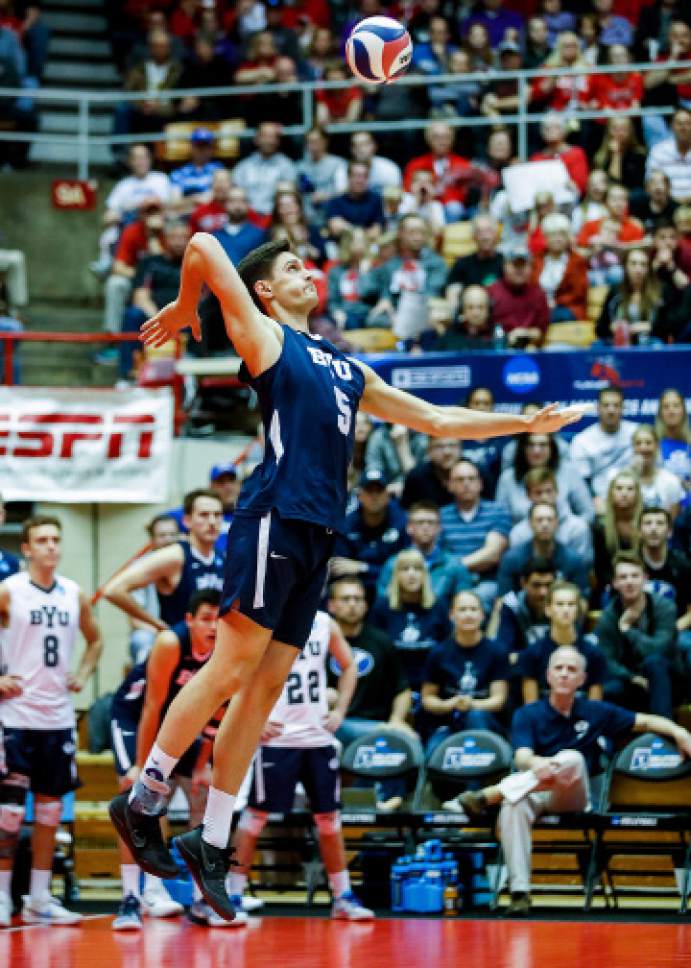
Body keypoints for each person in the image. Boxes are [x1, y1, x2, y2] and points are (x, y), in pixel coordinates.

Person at [111, 231, 583, 921]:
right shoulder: (266, 336)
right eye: (292, 267)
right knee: (230, 668)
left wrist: (522, 423)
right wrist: (188, 307)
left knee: (263, 690)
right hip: (274, 518)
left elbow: (435, 419)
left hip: (318, 535)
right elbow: (205, 245)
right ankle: (144, 798)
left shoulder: (348, 367)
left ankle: (209, 838)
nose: (308, 273)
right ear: (265, 290)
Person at [456, 645, 691, 916]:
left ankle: (490, 795)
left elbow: (647, 722)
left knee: (572, 758)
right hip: (538, 789)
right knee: (513, 805)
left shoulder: (597, 711)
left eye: (571, 669)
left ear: (582, 679)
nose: (564, 674)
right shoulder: (528, 713)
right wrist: (537, 764)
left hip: (576, 795)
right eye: (558, 668)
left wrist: (680, 732)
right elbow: (521, 756)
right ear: (548, 675)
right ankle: (520, 894)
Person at [110, 590, 245, 930]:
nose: (213, 627)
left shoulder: (227, 649)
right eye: (205, 619)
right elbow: (152, 707)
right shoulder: (171, 643)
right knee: (136, 796)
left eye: (218, 619)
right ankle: (134, 897)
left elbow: (218, 715)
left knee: (203, 792)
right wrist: (143, 768)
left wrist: (202, 766)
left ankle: (202, 901)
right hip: (136, 717)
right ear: (189, 620)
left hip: (183, 724)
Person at [229, 610, 374, 920]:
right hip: (278, 739)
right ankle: (233, 895)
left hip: (318, 738)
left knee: (329, 820)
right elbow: (235, 669)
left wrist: (340, 711)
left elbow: (349, 665)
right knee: (254, 819)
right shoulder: (266, 620)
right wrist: (253, 718)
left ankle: (343, 897)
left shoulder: (323, 622)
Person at [0, 516, 102, 927]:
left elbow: (96, 639)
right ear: (26, 549)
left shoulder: (73, 593)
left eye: (56, 539)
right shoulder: (10, 590)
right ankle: (2, 896)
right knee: (9, 814)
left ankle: (40, 897)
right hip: (16, 716)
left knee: (49, 812)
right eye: (42, 540)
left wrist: (84, 673)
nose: (51, 546)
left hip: (58, 718)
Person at [327, 576, 415, 812]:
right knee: (374, 737)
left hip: (376, 723)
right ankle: (370, 801)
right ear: (331, 605)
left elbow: (402, 689)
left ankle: (383, 800)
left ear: (366, 606)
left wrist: (397, 720)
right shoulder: (320, 642)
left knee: (398, 737)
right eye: (346, 599)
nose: (352, 604)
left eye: (358, 599)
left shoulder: (381, 641)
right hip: (335, 723)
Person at [104, 489, 225, 631]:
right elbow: (113, 590)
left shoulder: (224, 558)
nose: (212, 522)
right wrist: (157, 625)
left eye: (217, 515)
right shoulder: (174, 556)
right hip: (181, 641)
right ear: (187, 521)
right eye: (204, 515)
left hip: (216, 640)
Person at [422, 590, 509, 758]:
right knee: (433, 755)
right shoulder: (438, 653)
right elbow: (428, 699)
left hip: (486, 723)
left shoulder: (497, 652)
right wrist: (451, 704)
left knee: (476, 716)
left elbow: (498, 700)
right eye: (462, 610)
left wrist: (471, 704)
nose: (468, 615)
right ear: (451, 615)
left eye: (473, 609)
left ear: (482, 615)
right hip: (447, 724)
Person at [595, 552, 678, 718]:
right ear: (615, 583)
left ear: (645, 579)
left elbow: (658, 649)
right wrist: (632, 677)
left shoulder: (665, 607)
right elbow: (607, 660)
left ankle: (662, 730)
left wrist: (627, 629)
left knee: (654, 662)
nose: (629, 581)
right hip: (632, 681)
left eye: (634, 576)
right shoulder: (608, 617)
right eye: (623, 577)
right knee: (609, 690)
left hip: (669, 679)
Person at [369, 549, 450, 693]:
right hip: (392, 683)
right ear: (396, 575)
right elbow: (375, 649)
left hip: (430, 683)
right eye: (405, 569)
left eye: (417, 569)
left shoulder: (439, 605)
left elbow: (447, 647)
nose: (411, 574)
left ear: (425, 574)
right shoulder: (382, 606)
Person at [441, 458, 512, 610]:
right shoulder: (440, 516)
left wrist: (453, 567)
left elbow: (492, 554)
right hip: (450, 581)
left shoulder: (498, 511)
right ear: (449, 485)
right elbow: (439, 555)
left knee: (474, 601)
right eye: (460, 480)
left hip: (486, 581)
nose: (466, 483)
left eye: (471, 478)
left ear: (480, 483)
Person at [518, 581, 605, 703]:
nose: (565, 610)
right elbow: (531, 707)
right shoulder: (531, 654)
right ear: (548, 609)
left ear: (577, 610)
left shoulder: (594, 654)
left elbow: (595, 707)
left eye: (571, 604)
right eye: (559, 604)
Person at [377, 501, 473, 606]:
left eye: (431, 522)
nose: (425, 527)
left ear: (439, 528)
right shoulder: (394, 564)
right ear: (409, 528)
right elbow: (382, 603)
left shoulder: (454, 565)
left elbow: (466, 604)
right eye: (420, 522)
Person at [330, 469, 408, 591]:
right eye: (369, 491)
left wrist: (363, 568)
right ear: (359, 496)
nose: (374, 496)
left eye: (379, 491)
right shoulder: (347, 525)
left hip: (393, 589)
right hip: (356, 589)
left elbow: (404, 569)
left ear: (387, 495)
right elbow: (339, 567)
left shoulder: (401, 522)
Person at [496, 432, 594, 527]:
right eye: (530, 445)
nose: (536, 450)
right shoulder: (507, 478)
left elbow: (588, 513)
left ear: (552, 448)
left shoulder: (569, 472)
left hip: (566, 535)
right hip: (521, 536)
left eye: (543, 445)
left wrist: (571, 531)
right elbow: (500, 520)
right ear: (522, 448)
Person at [497, 501, 590, 598]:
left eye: (550, 519)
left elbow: (582, 599)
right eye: (539, 520)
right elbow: (503, 599)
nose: (545, 524)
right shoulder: (512, 559)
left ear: (557, 523)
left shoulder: (573, 559)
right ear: (530, 523)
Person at [570, 385, 636, 509]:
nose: (611, 410)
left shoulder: (637, 434)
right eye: (606, 405)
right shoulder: (582, 441)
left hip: (634, 498)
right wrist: (593, 499)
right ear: (598, 408)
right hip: (598, 500)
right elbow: (581, 480)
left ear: (623, 408)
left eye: (616, 405)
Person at [508, 467, 593, 564]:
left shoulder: (577, 528)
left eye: (548, 491)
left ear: (557, 492)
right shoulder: (518, 534)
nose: (544, 497)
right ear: (528, 495)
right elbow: (517, 567)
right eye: (538, 493)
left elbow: (582, 566)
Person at [128, 513, 181, 665]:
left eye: (173, 535)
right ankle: (143, 678)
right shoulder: (139, 568)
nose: (168, 540)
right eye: (162, 535)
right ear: (152, 540)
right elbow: (135, 621)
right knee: (140, 639)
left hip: (189, 630)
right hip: (154, 632)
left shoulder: (189, 562)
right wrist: (164, 632)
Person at [595, 248, 675, 346]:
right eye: (633, 263)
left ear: (648, 269)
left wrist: (648, 327)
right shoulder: (615, 291)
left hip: (650, 341)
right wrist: (612, 327)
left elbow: (671, 325)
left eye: (643, 265)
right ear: (625, 267)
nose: (638, 269)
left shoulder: (661, 291)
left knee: (657, 344)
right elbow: (599, 328)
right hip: (620, 343)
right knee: (598, 345)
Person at [592, 470, 641, 607]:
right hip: (611, 585)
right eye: (619, 488)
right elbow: (599, 568)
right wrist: (619, 583)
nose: (624, 493)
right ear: (611, 493)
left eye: (630, 489)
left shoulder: (646, 522)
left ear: (637, 493)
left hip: (641, 582)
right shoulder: (600, 526)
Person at [488, 247, 550, 349]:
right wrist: (507, 337)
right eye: (515, 265)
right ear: (505, 266)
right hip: (497, 348)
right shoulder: (491, 292)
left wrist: (523, 334)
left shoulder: (539, 294)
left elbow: (541, 331)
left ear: (530, 268)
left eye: (523, 265)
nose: (519, 270)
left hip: (529, 349)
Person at [531, 213, 588, 322]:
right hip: (539, 307)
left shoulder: (577, 261)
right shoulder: (537, 259)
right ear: (545, 238)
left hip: (567, 308)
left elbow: (578, 293)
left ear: (568, 237)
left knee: (545, 317)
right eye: (553, 235)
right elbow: (531, 287)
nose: (557, 239)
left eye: (562, 234)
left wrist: (555, 303)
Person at [445, 215, 503, 314]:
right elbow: (452, 292)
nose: (485, 237)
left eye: (489, 231)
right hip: (469, 315)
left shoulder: (506, 263)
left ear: (496, 235)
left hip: (498, 314)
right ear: (473, 237)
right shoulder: (462, 263)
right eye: (480, 232)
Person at [628, 424, 685, 518]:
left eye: (648, 443)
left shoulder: (671, 481)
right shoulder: (623, 480)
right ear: (632, 447)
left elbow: (673, 521)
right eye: (638, 443)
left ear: (657, 446)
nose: (643, 448)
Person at [645, 108, 691, 204]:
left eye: (687, 123)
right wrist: (673, 202)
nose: (683, 127)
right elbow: (649, 183)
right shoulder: (658, 151)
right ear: (671, 127)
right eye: (679, 123)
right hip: (666, 205)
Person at [401, 437, 460, 510]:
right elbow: (406, 510)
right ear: (429, 450)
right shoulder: (416, 476)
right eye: (439, 446)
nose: (447, 452)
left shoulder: (471, 471)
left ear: (460, 448)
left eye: (452, 445)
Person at [655, 388, 691, 493]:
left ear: (683, 411)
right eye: (666, 407)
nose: (671, 411)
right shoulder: (652, 444)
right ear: (660, 413)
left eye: (676, 406)